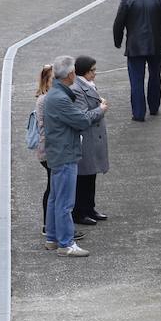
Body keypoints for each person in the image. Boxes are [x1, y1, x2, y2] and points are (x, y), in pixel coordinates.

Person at [42, 56, 107, 257]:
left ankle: (52, 237)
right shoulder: (61, 99)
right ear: (70, 74)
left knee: (55, 197)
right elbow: (81, 120)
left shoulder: (54, 94)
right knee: (65, 202)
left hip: (57, 152)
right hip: (65, 153)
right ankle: (66, 244)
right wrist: (100, 110)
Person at [112, 0, 161, 122]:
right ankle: (154, 107)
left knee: (136, 80)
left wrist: (118, 41)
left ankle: (139, 112)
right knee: (155, 76)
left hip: (135, 46)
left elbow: (118, 23)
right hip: (157, 45)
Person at [33, 65, 86, 243]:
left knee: (55, 190)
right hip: (52, 150)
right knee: (57, 192)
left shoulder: (50, 98)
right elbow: (74, 120)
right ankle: (56, 230)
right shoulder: (48, 100)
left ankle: (52, 230)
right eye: (53, 79)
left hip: (50, 148)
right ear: (47, 81)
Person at [70, 56, 110, 225]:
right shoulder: (78, 88)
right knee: (83, 177)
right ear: (84, 71)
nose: (95, 73)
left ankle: (90, 208)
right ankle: (80, 212)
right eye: (92, 70)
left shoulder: (87, 85)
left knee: (91, 175)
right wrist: (100, 109)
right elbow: (83, 116)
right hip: (85, 138)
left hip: (92, 138)